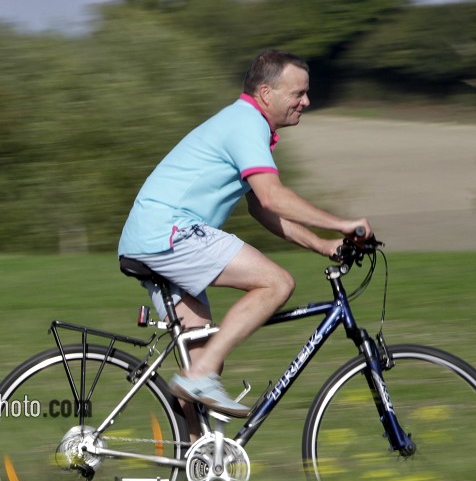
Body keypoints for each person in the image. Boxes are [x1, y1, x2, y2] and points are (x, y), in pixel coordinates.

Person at [118, 49, 372, 416]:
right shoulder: (246, 124)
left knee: (205, 356)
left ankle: (194, 460)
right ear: (267, 94)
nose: (306, 101)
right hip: (171, 233)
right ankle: (200, 376)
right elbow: (273, 197)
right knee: (276, 283)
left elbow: (259, 207)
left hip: (151, 239)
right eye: (298, 93)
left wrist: (325, 245)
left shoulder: (244, 124)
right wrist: (343, 224)